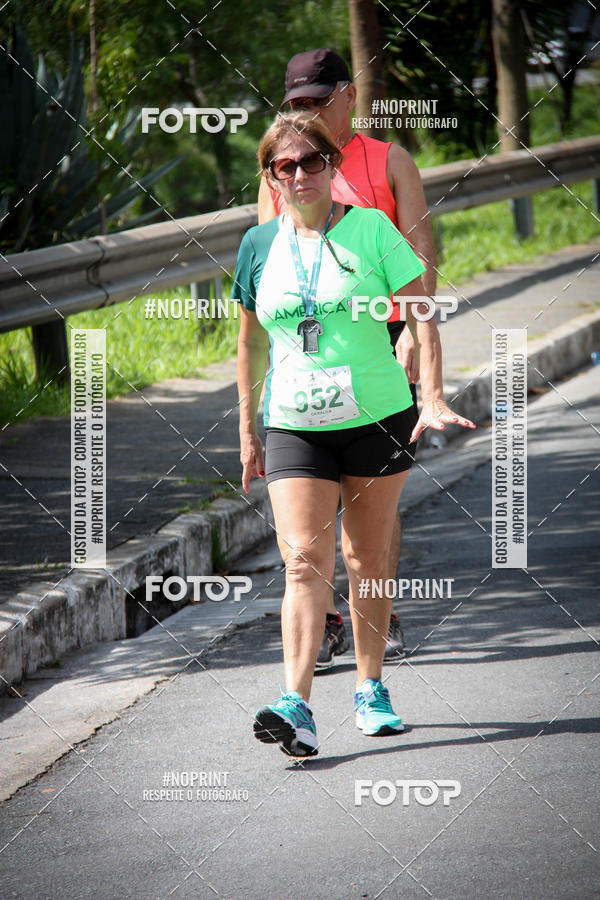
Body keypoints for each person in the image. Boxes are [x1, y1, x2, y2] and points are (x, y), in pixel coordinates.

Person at [233, 112, 474, 757]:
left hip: (377, 417)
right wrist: (248, 433)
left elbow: (421, 311)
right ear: (270, 178)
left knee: (366, 559)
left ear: (333, 167)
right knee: (303, 563)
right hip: (293, 424)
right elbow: (250, 344)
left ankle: (370, 687)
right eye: (286, 166)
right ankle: (298, 704)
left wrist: (435, 394)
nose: (301, 174)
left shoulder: (370, 229)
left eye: (313, 161)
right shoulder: (258, 246)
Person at [258, 48, 437, 666]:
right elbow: (268, 258)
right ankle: (329, 617)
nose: (306, 112)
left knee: (370, 503)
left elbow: (418, 254)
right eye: (296, 104)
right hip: (309, 348)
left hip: (381, 338)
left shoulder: (389, 160)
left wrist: (414, 332)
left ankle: (377, 614)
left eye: (316, 100)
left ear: (348, 96)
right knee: (309, 506)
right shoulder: (280, 167)